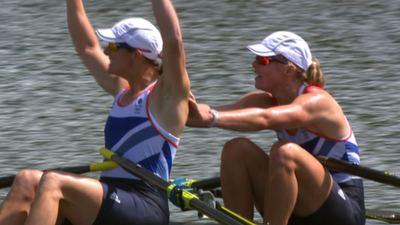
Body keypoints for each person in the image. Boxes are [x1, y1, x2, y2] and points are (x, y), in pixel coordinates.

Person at [0, 0, 189, 224]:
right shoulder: (122, 91)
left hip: (146, 204)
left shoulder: (167, 96)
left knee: (53, 181)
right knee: (26, 179)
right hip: (112, 195)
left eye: (113, 47)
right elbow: (87, 46)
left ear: (136, 55)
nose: (105, 51)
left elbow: (174, 41)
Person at [187, 31, 365, 225]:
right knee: (235, 149)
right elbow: (205, 113)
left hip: (344, 211)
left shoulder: (318, 101)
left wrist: (211, 118)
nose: (254, 64)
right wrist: (177, 106)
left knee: (284, 152)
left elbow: (265, 119)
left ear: (288, 70)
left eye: (262, 60)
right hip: (298, 206)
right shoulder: (264, 101)